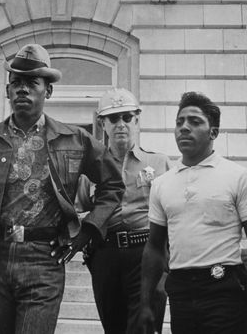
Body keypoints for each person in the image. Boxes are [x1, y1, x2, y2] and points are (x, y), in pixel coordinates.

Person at [0, 43, 124, 334]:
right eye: (16, 83)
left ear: (48, 91)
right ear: (7, 91)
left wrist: (86, 232)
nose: (22, 89)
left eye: (32, 83)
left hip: (44, 259)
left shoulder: (75, 139)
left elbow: (113, 184)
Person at [139, 92, 247, 334]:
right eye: (179, 122)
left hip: (225, 289)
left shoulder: (238, 176)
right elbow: (155, 246)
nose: (184, 128)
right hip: (181, 292)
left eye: (195, 121)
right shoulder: (162, 184)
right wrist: (145, 303)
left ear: (213, 132)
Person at [82, 88, 171, 334]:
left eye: (127, 117)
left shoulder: (159, 163)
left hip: (146, 253)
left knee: (145, 326)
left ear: (137, 120)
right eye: (113, 118)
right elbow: (80, 211)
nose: (121, 124)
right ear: (102, 124)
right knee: (113, 328)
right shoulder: (91, 169)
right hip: (106, 255)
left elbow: (171, 213)